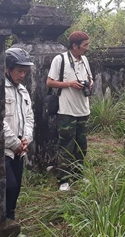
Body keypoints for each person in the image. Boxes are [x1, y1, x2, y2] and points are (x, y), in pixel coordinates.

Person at [46, 31, 93, 191]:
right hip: (66, 110)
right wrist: (70, 84)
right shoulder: (60, 59)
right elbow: (50, 82)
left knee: (82, 145)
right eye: (85, 45)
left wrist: (89, 84)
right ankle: (64, 179)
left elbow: (89, 78)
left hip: (83, 108)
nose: (87, 48)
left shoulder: (85, 60)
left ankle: (79, 174)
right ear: (75, 45)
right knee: (66, 145)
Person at [3, 47, 35, 220]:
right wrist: (14, 143)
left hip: (19, 149)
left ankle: (10, 220)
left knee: (16, 188)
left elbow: (29, 117)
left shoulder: (23, 91)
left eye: (25, 72)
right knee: (9, 186)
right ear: (8, 69)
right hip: (5, 149)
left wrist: (25, 139)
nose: (22, 75)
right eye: (19, 71)